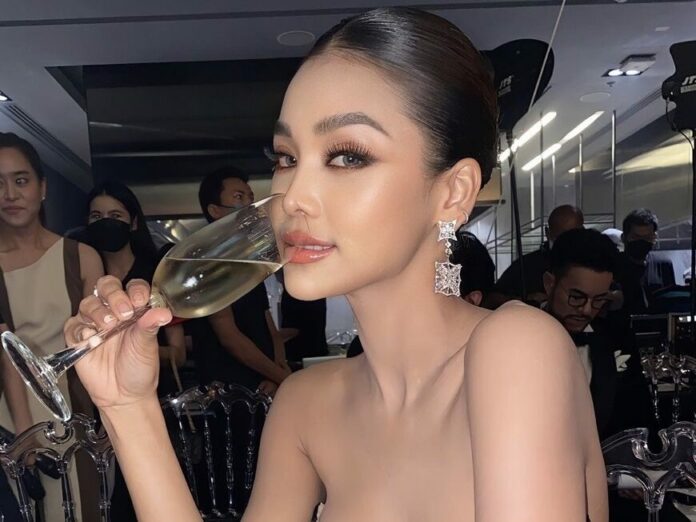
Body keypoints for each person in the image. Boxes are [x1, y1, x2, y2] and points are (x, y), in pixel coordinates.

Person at [66, 8, 607, 521]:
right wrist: (128, 407)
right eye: (287, 158)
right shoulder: (307, 404)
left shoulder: (516, 349)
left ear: (454, 191)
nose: (294, 195)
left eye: (348, 156)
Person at [0, 132, 103, 521]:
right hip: (9, 419)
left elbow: (100, 345)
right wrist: (25, 435)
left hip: (74, 410)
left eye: (20, 180)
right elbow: (5, 353)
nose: (10, 194)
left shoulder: (80, 257)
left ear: (42, 187)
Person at [193, 167, 290, 395]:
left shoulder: (247, 259)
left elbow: (267, 321)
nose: (249, 205)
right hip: (231, 390)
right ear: (214, 210)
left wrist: (279, 368)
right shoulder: (207, 261)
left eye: (250, 197)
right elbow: (229, 337)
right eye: (239, 197)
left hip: (266, 383)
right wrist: (282, 378)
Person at [488, 204, 584, 308]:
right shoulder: (526, 266)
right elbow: (492, 299)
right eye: (562, 237)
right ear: (548, 233)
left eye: (575, 235)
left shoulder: (592, 264)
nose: (569, 243)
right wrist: (525, 301)